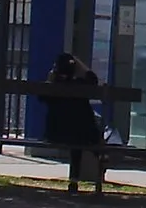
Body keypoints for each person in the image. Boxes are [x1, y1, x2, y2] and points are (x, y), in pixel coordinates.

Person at [44, 51, 104, 191]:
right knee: (80, 132)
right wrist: (78, 62)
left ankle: (74, 179)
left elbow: (43, 98)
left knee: (74, 134)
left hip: (55, 134)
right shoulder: (80, 84)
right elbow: (93, 79)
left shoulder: (53, 86)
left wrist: (50, 79)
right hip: (83, 135)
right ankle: (99, 158)